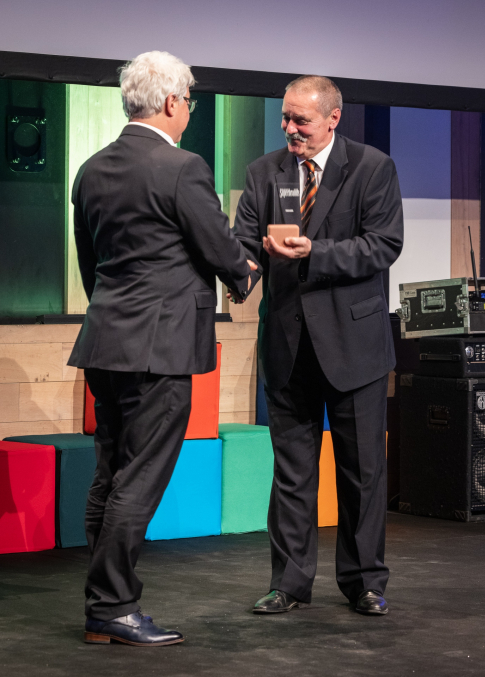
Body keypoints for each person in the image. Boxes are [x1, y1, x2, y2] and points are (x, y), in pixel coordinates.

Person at [68, 50, 256, 646]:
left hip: (106, 341)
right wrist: (246, 271)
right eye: (189, 101)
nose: (189, 111)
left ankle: (103, 606)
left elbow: (91, 266)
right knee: (139, 478)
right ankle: (113, 607)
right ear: (173, 102)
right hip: (160, 348)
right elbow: (218, 246)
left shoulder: (90, 169)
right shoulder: (182, 167)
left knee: (111, 473)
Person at [231, 75, 403, 616]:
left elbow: (383, 245)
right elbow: (243, 244)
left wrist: (315, 252)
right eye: (285, 117)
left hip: (355, 346)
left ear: (333, 118)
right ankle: (288, 583)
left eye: (300, 120)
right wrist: (240, 269)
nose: (290, 129)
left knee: (362, 473)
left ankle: (365, 582)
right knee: (292, 475)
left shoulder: (372, 167)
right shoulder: (264, 172)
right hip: (287, 345)